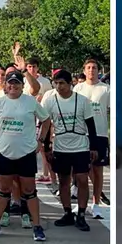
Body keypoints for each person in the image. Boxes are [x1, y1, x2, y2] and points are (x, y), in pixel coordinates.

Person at [0, 69, 52, 241]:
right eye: (10, 83)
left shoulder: (30, 102)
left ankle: (37, 226)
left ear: (22, 86)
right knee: (3, 190)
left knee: (29, 191)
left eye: (17, 83)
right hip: (4, 153)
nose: (13, 86)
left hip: (26, 153)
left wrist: (40, 140)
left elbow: (46, 120)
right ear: (6, 86)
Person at [43, 69, 98, 232]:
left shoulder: (82, 101)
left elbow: (91, 125)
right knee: (64, 181)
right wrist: (47, 148)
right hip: (60, 146)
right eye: (56, 83)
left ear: (70, 84)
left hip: (80, 146)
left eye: (62, 83)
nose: (58, 87)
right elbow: (46, 126)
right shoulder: (50, 101)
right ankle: (67, 212)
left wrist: (93, 147)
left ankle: (81, 214)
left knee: (82, 179)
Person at [74, 58, 111, 218]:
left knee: (97, 171)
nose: (91, 70)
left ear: (98, 70)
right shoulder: (78, 88)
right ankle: (81, 204)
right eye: (88, 67)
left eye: (94, 67)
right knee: (80, 171)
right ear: (84, 70)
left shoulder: (106, 89)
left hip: (100, 134)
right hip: (81, 134)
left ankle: (96, 204)